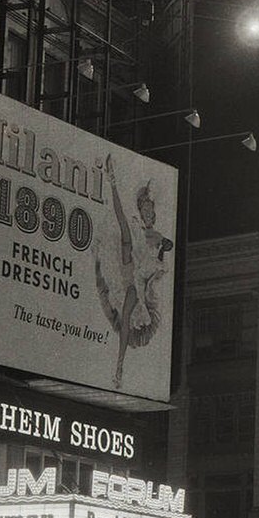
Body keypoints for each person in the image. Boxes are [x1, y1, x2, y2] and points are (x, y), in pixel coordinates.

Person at [94, 155, 173, 390]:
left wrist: (161, 252)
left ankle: (119, 369)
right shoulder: (138, 232)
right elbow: (126, 224)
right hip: (130, 266)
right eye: (145, 209)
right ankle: (113, 181)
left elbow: (156, 260)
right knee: (122, 227)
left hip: (137, 278)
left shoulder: (155, 236)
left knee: (126, 319)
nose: (148, 213)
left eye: (150, 209)